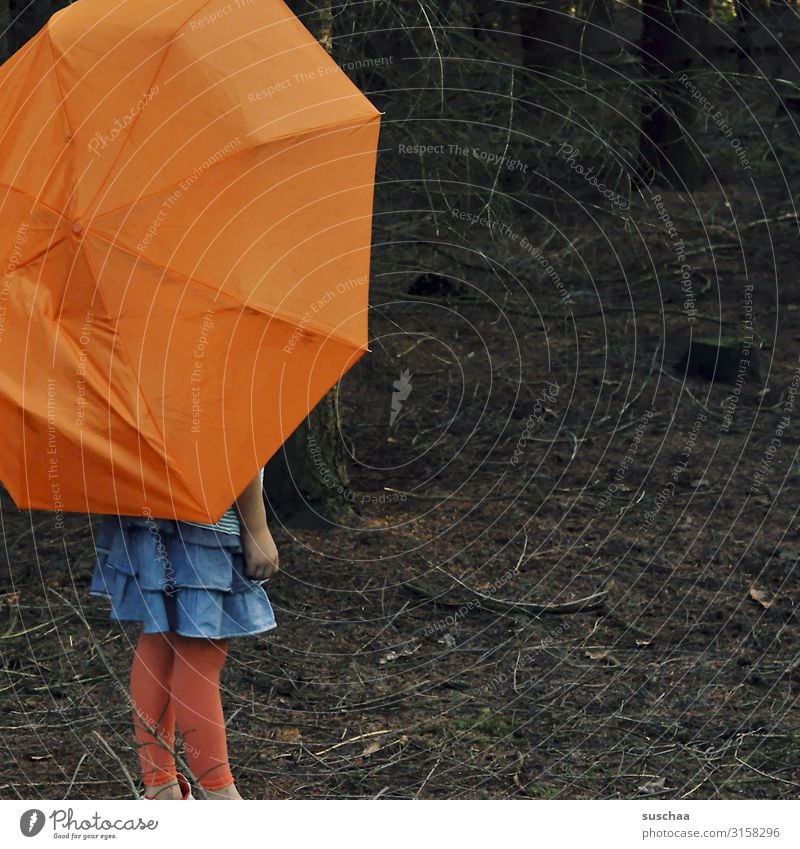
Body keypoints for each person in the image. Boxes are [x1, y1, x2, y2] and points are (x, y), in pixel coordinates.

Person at [90, 467, 279, 800]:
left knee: (158, 641)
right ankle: (220, 794)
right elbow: (233, 447)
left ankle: (160, 786)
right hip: (205, 519)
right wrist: (257, 527)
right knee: (200, 656)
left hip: (149, 507)